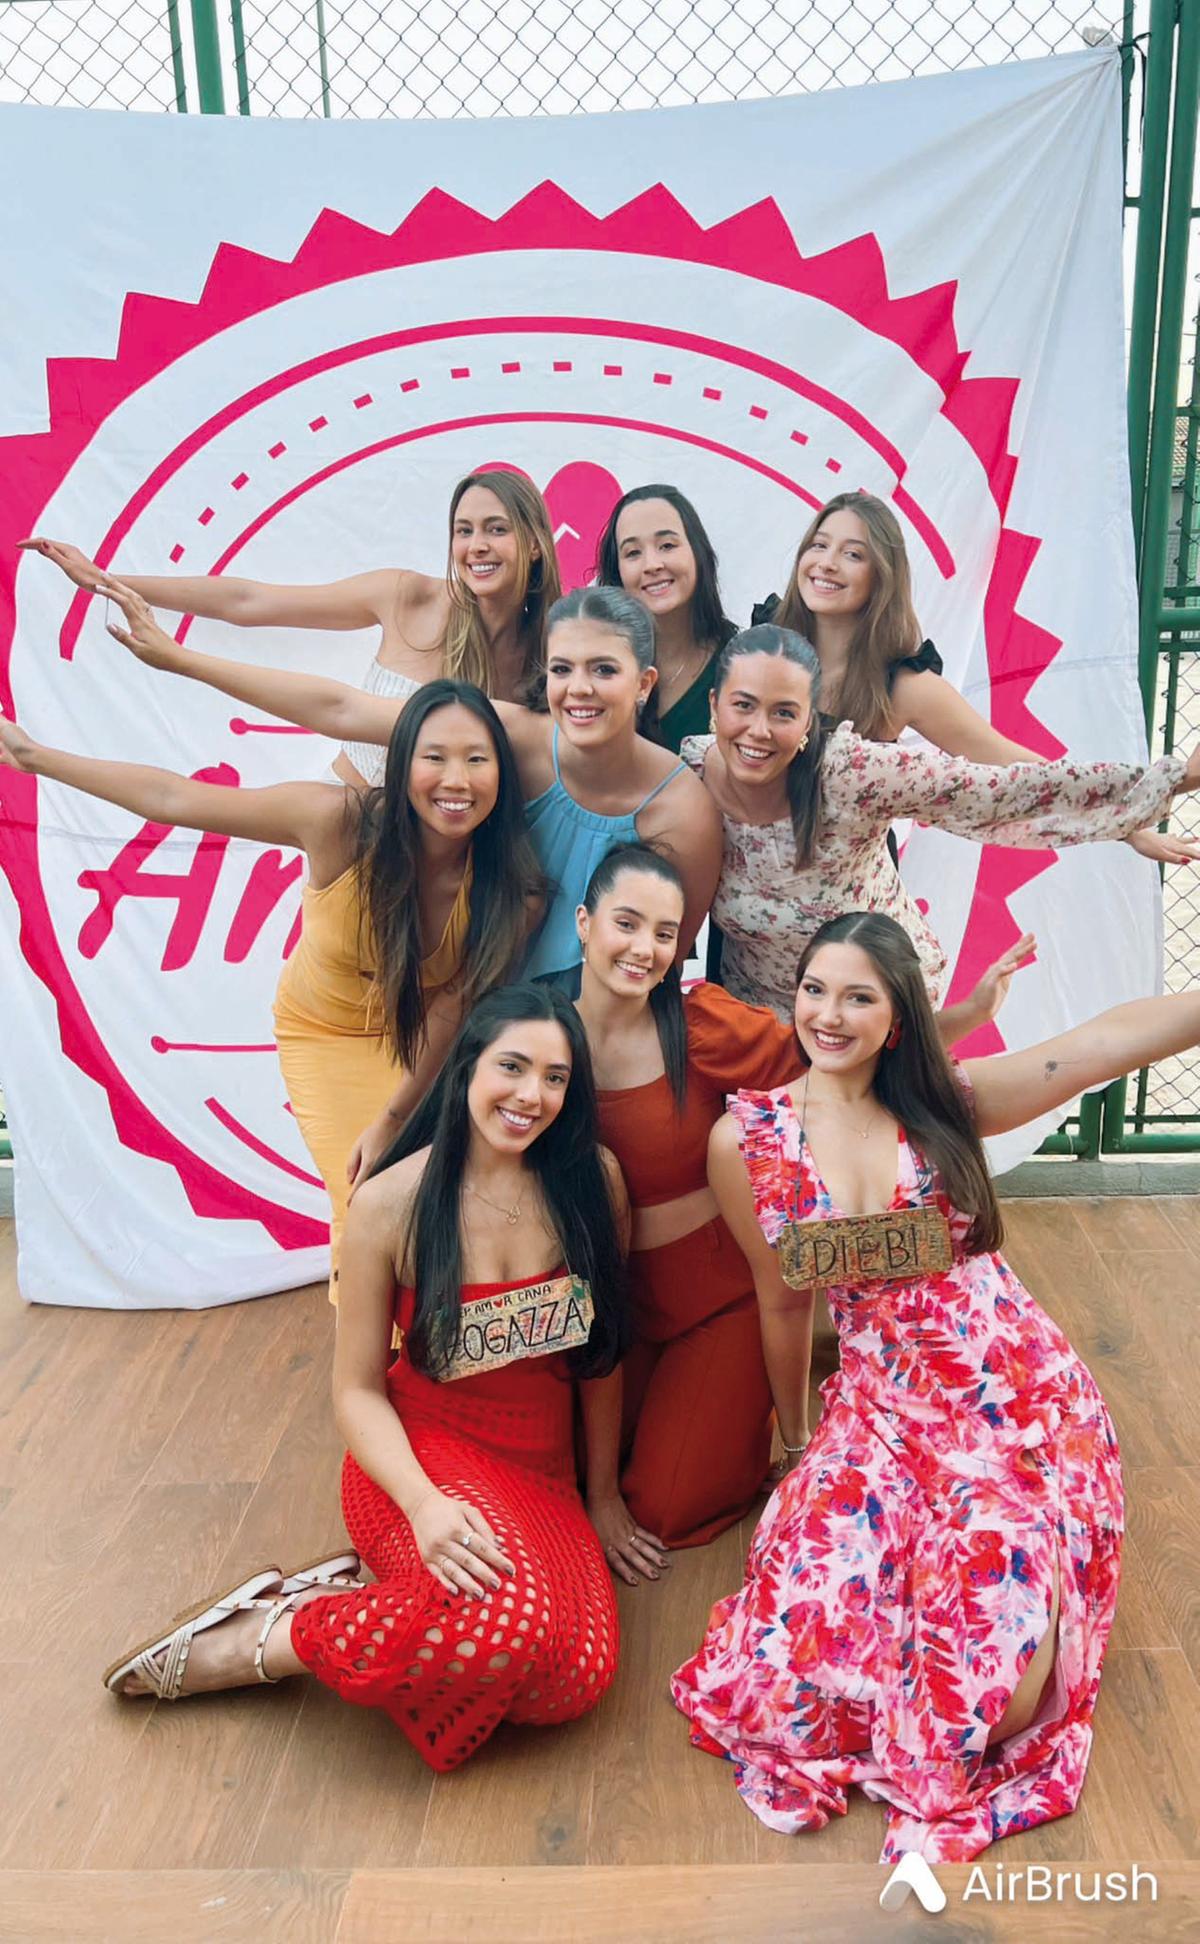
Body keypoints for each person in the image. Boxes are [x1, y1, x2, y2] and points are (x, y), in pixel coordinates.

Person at [672, 910, 1200, 1862]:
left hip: (1016, 1406)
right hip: (881, 1412)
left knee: (992, 1709)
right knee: (787, 1673)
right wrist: (795, 1444)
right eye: (815, 990)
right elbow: (785, 1304)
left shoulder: (946, 1103)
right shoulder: (747, 1142)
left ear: (897, 1017)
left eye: (859, 997)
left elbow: (1102, 1045)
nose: (830, 1015)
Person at [102, 985, 631, 1771]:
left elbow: (601, 1356)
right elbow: (355, 1391)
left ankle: (344, 1595)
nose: (531, 1096)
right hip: (420, 1457)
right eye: (512, 1067)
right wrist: (424, 1504)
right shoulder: (390, 1203)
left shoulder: (594, 1182)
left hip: (540, 1472)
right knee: (508, 1633)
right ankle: (263, 1640)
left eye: (555, 1078)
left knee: (573, 1677)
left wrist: (603, 1496)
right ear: (465, 1070)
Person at [574, 843, 1034, 1574]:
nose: (644, 949)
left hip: (716, 1293)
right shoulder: (539, 1037)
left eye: (665, 934)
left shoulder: (702, 1023)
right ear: (583, 922)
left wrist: (965, 1017)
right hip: (612, 1306)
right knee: (564, 1472)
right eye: (626, 924)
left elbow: (843, 1053)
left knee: (666, 1505)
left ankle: (746, 1411)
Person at [0, 681, 542, 1280]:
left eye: (477, 759)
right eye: (434, 757)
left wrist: (395, 1116)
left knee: (441, 1209)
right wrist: (33, 757)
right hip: (326, 1036)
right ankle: (365, 1367)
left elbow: (457, 1004)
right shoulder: (337, 821)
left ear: (503, 771)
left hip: (424, 1045)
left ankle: (424, 1355)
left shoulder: (513, 884)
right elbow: (173, 796)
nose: (456, 781)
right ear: (401, 762)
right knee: (365, 1205)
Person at [91, 578, 724, 1013]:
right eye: (562, 669)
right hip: (464, 1007)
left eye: (603, 670)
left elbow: (662, 964)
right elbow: (342, 708)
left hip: (592, 1037)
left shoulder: (681, 810)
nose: (579, 689)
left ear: (643, 683)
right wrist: (181, 660)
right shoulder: (513, 735)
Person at [684, 623, 1200, 1017]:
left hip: (876, 1012)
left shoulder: (851, 772)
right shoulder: (689, 778)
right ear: (715, 705)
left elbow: (997, 792)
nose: (758, 730)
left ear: (807, 722)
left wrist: (1166, 784)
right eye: (743, 706)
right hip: (760, 1020)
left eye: (782, 713)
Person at [19, 467, 561, 787]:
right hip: (349, 831)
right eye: (463, 530)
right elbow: (247, 600)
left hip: (456, 869)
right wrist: (107, 581)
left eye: (497, 529)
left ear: (535, 542)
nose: (477, 546)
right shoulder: (408, 596)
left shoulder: (554, 654)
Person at [758, 490, 1196, 867]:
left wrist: (1121, 819)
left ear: (881, 577)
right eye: (818, 545)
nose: (827, 564)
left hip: (851, 902)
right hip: (754, 896)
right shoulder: (761, 648)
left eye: (853, 554)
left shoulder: (903, 686)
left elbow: (1009, 762)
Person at [594, 484, 737, 753]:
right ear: (618, 572)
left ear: (698, 552)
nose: (652, 565)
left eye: (667, 545)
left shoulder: (741, 664)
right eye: (633, 553)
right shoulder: (597, 668)